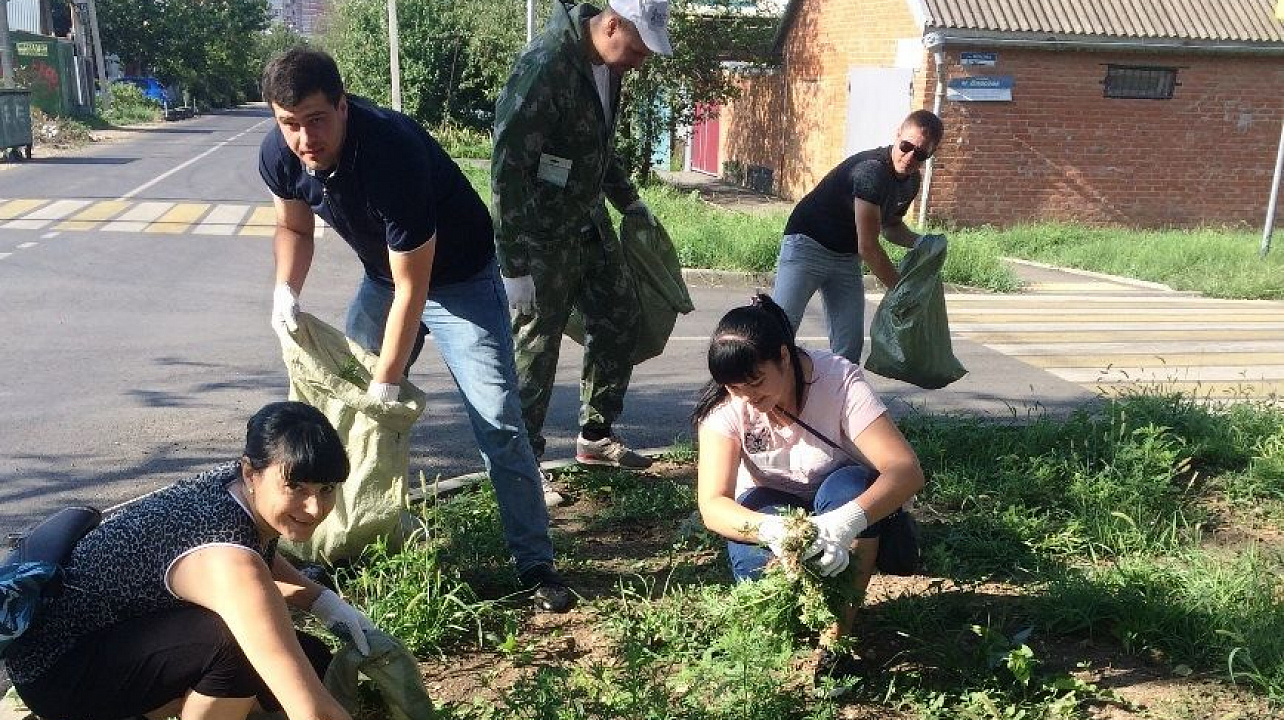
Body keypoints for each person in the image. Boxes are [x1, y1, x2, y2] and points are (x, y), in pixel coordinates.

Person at [257, 48, 573, 612]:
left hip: (457, 280)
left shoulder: (391, 154)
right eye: (289, 124)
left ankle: (535, 563)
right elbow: (294, 227)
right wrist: (286, 290)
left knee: (499, 420)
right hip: (385, 277)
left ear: (343, 105)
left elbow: (415, 288)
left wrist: (388, 379)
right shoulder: (281, 154)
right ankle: (342, 542)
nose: (304, 139)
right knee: (342, 410)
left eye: (316, 120)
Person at [6, 402, 368, 720]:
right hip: (58, 670)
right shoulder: (227, 559)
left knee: (314, 661)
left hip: (118, 636)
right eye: (297, 488)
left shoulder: (233, 488)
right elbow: (311, 710)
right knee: (238, 648)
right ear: (250, 473)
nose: (315, 508)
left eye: (326, 490)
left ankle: (156, 706)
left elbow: (262, 560)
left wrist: (326, 604)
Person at [692, 295, 925, 678]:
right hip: (773, 503)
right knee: (756, 570)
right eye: (736, 389)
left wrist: (846, 522)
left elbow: (905, 470)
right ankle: (797, 617)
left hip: (838, 495)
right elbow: (713, 504)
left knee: (849, 486)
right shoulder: (725, 407)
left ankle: (838, 640)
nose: (748, 398)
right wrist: (773, 530)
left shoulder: (838, 381)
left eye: (756, 382)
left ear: (784, 357)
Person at [491, 0, 673, 471]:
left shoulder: (610, 69)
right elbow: (506, 169)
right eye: (637, 48)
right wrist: (513, 266)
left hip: (588, 222)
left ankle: (595, 436)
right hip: (540, 236)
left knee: (620, 315)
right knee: (536, 349)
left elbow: (595, 147)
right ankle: (522, 466)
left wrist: (629, 201)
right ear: (612, 24)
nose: (641, 59)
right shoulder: (545, 66)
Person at [772, 109, 945, 364]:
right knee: (778, 334)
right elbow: (869, 246)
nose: (909, 157)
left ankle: (838, 401)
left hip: (845, 258)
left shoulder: (910, 182)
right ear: (897, 134)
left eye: (920, 154)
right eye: (906, 146)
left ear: (929, 155)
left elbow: (891, 226)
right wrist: (902, 291)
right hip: (807, 246)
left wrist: (920, 242)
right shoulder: (870, 172)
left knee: (849, 348)